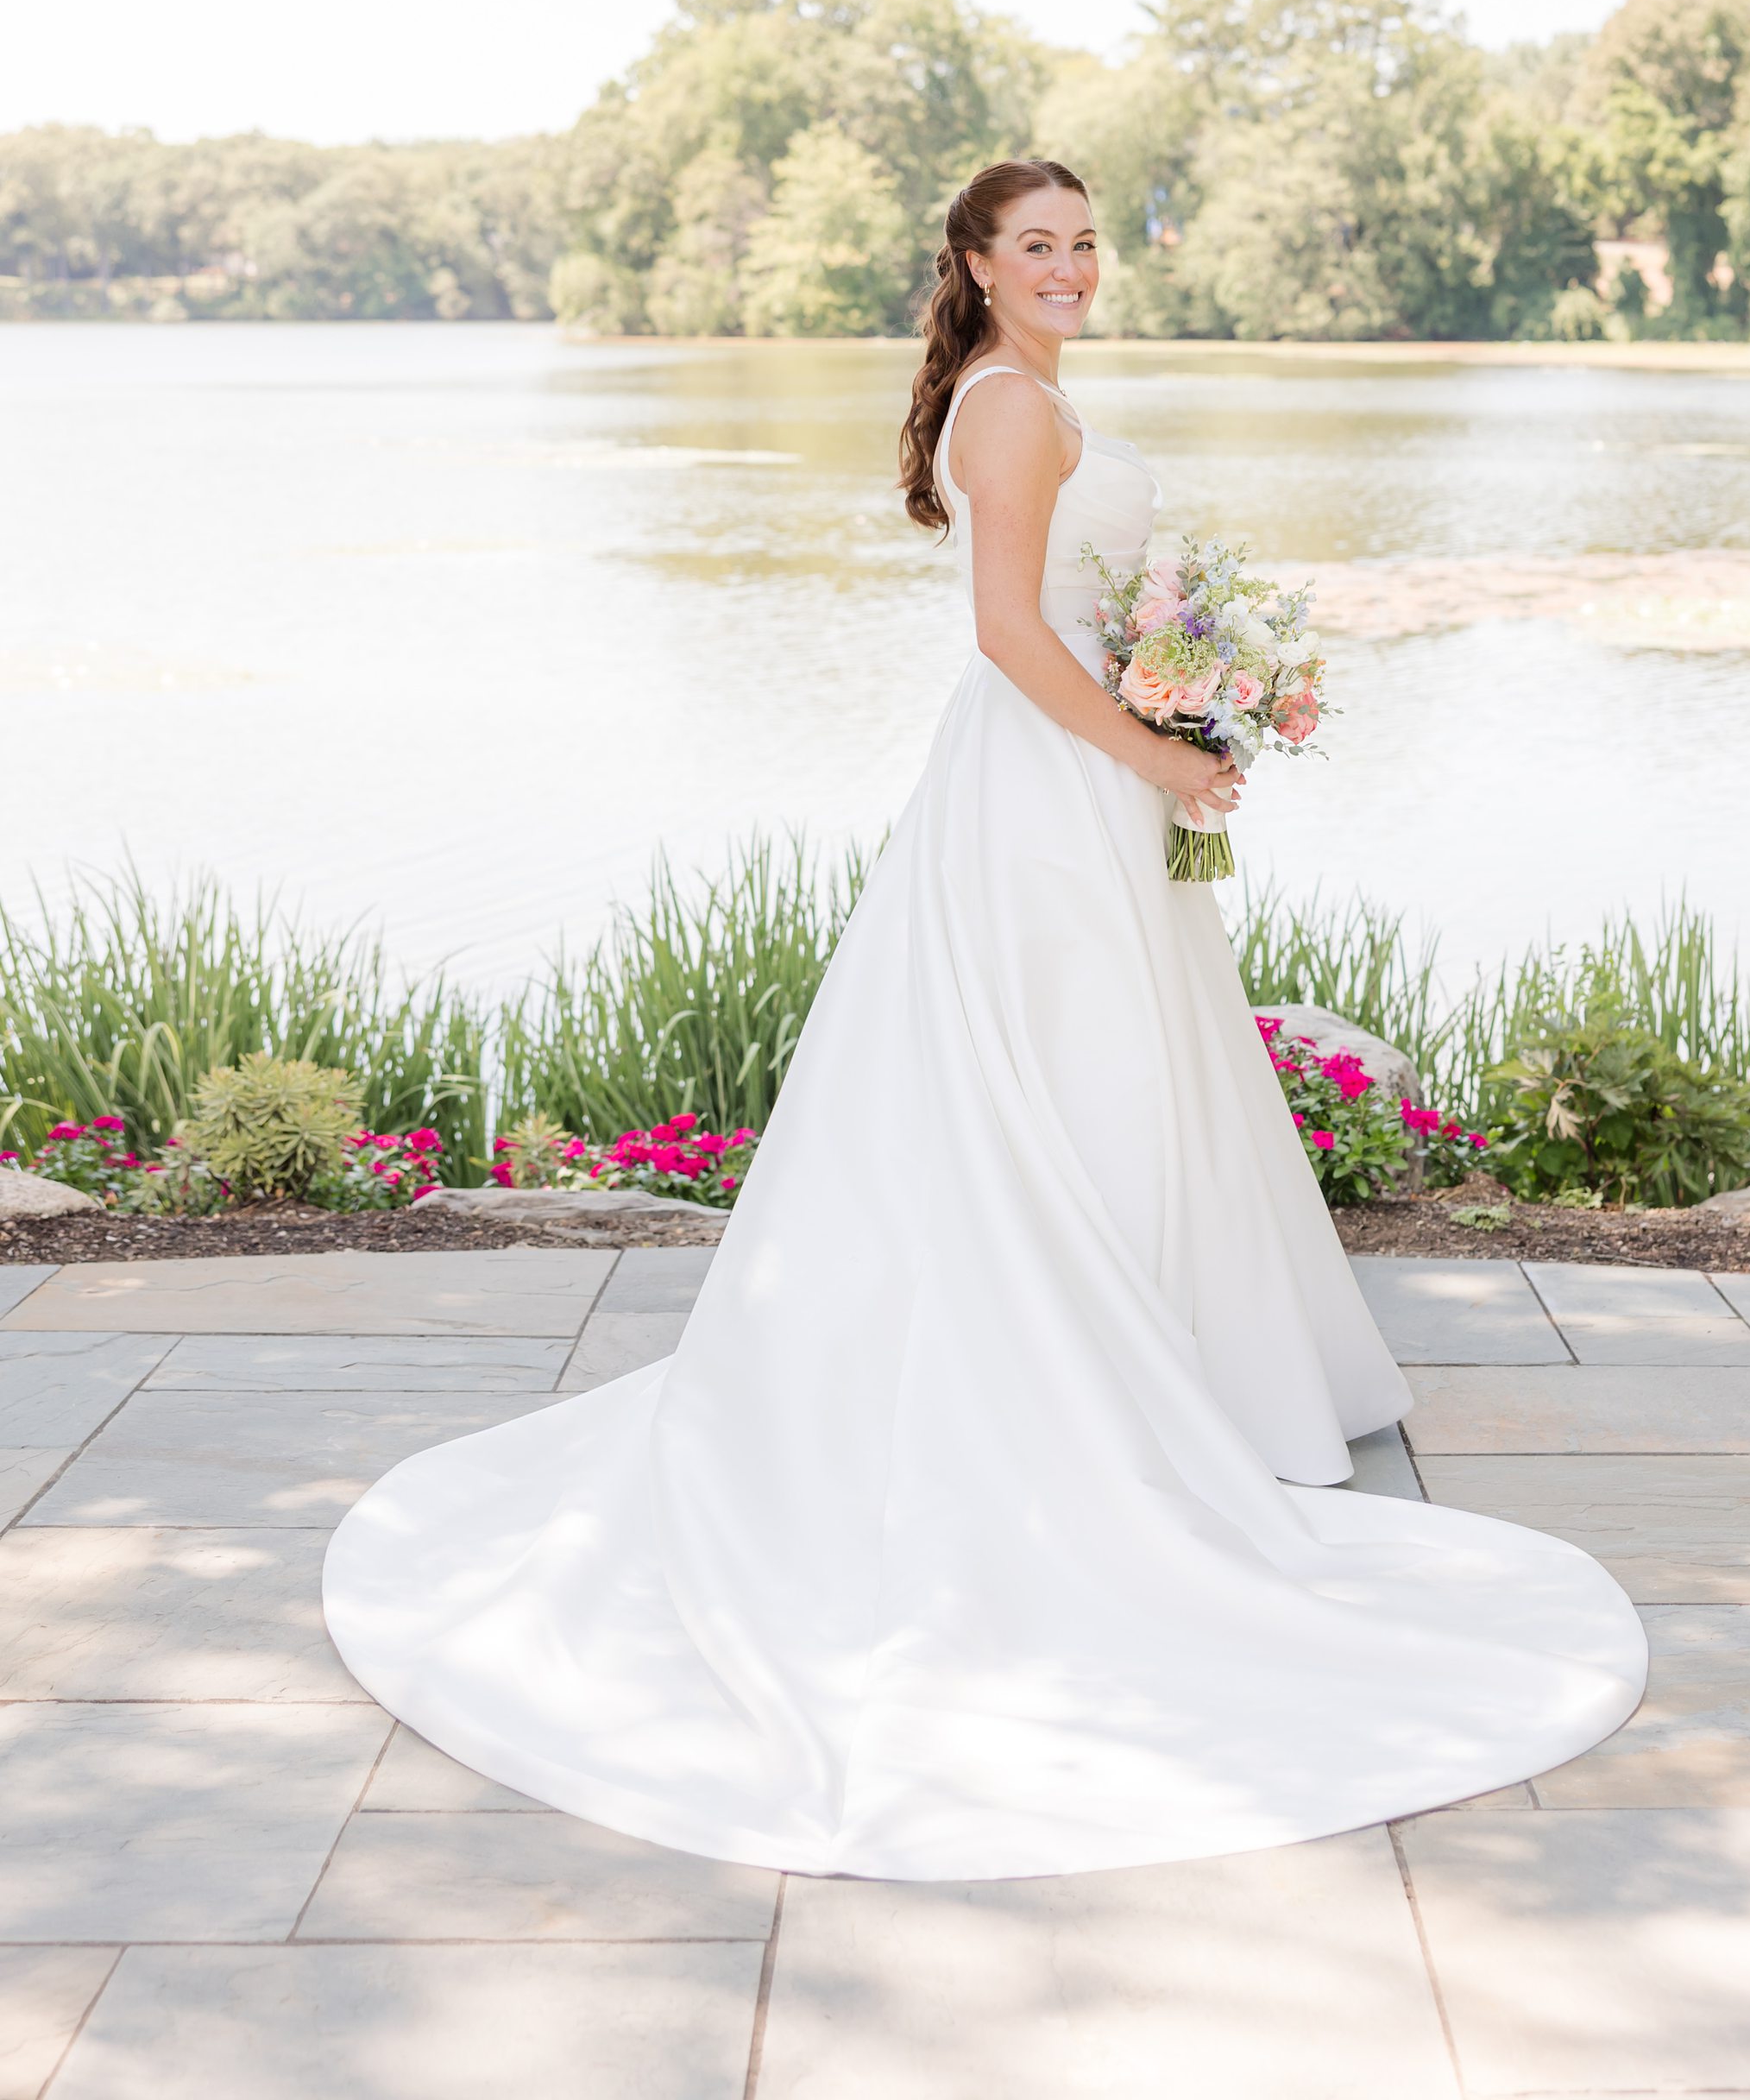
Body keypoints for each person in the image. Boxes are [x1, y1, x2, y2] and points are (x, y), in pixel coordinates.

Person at [324, 156, 1645, 1879]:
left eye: (1086, 244)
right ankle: (1074, 1398)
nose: (1073, 267)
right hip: (1048, 790)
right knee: (1070, 1078)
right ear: (974, 260)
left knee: (1113, 1081)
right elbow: (1013, 634)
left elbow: (1084, 622)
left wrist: (1194, 690)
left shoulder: (1030, 394)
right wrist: (1166, 749)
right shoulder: (1010, 410)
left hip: (1077, 780)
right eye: (1040, 246)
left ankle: (1157, 1366)